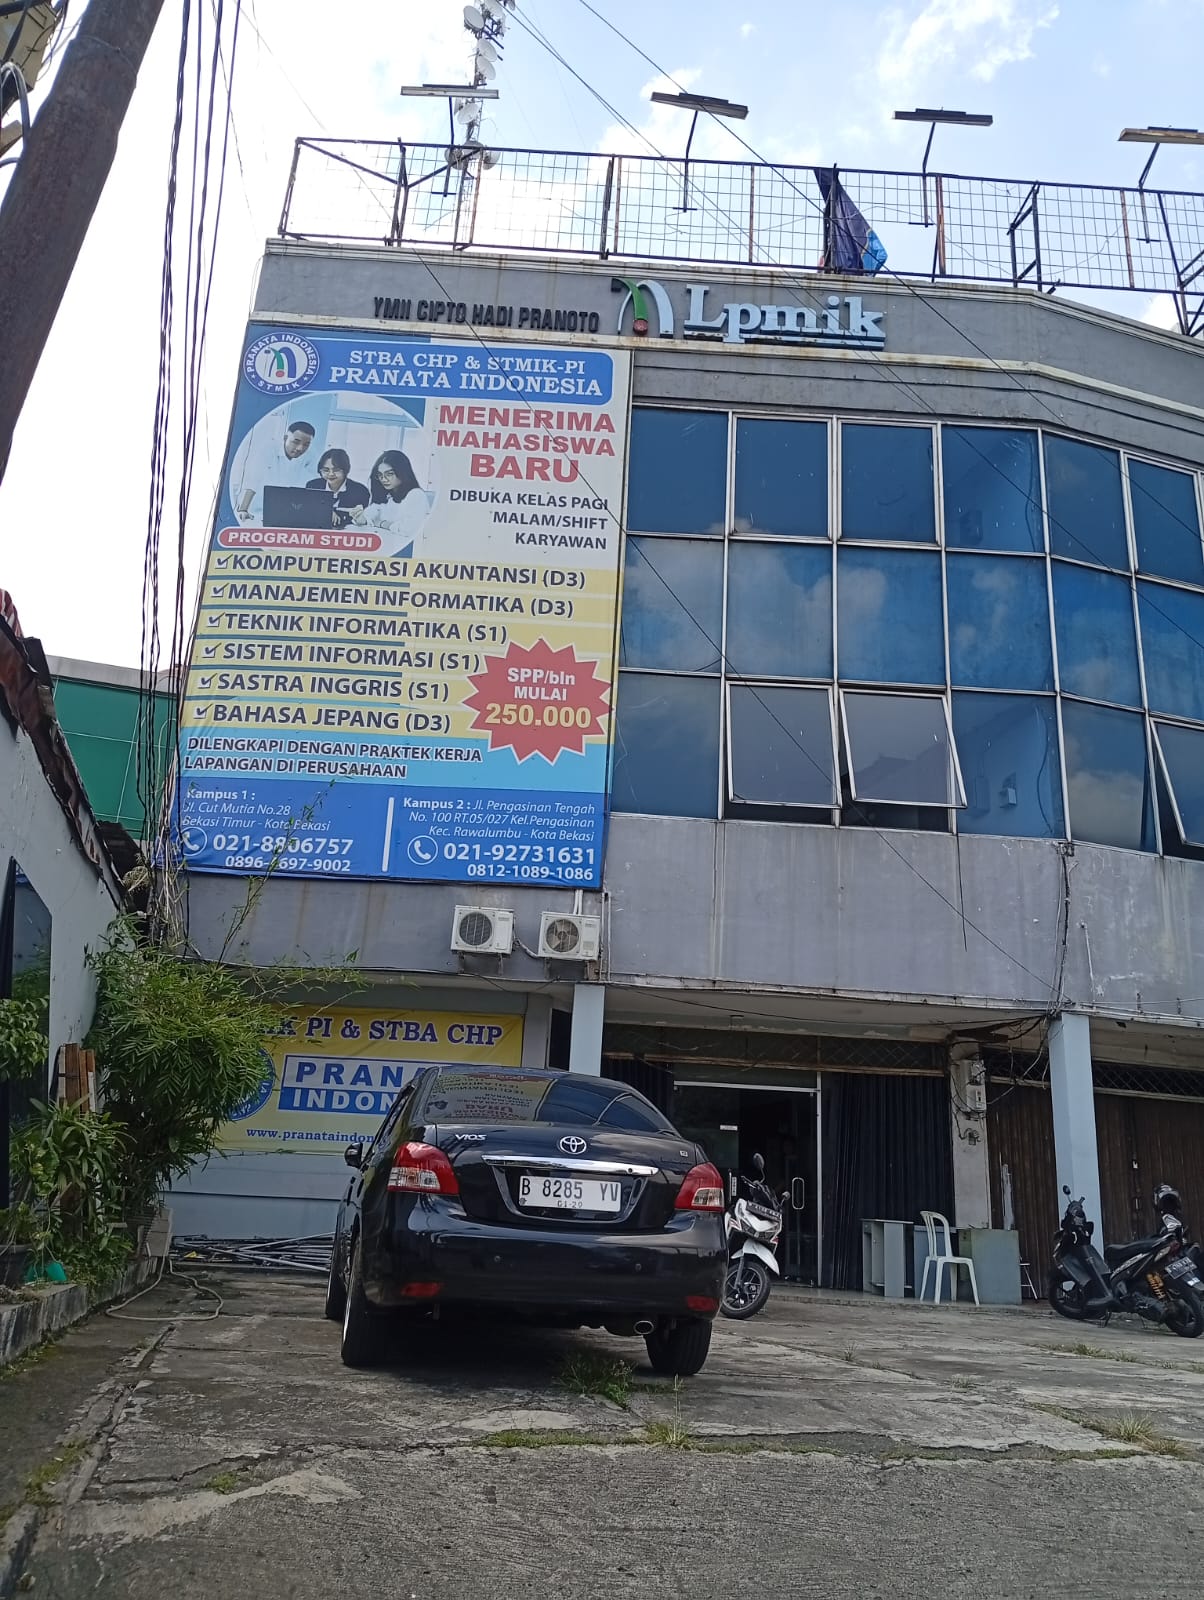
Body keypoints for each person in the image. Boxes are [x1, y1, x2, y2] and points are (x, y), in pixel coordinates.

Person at [233, 419, 317, 521]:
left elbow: (316, 482)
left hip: (284, 510)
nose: (300, 448)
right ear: (285, 438)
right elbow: (253, 480)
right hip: (254, 510)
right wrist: (243, 509)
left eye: (306, 444)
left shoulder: (310, 455)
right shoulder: (268, 449)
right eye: (296, 442)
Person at [351, 449, 428, 555]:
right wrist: (360, 518)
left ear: (402, 472)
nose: (383, 479)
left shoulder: (416, 494)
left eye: (389, 474)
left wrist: (382, 523)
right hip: (383, 548)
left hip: (406, 551)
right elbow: (371, 515)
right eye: (380, 475)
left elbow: (409, 529)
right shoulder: (385, 494)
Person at [305, 448, 369, 530]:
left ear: (345, 470)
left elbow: (363, 521)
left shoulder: (360, 491)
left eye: (336, 470)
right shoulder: (313, 486)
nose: (331, 474)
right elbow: (307, 511)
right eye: (326, 470)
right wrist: (326, 512)